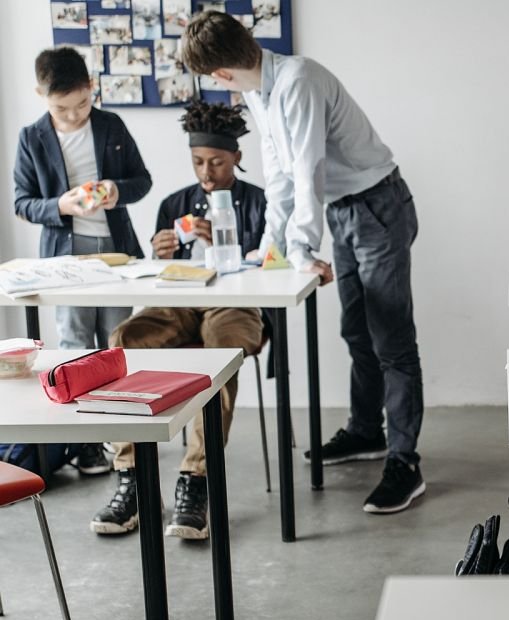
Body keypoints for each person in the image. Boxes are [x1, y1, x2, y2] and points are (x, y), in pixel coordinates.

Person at [180, 11, 426, 514]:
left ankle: (406, 462)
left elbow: (307, 167)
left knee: (391, 340)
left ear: (220, 74)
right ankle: (366, 432)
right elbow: (279, 177)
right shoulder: (258, 90)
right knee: (356, 331)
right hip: (344, 210)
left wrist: (300, 248)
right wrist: (272, 247)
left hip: (377, 205)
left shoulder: (298, 80)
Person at [91, 101, 266, 538]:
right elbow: (154, 274)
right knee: (124, 339)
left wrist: (231, 244)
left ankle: (197, 480)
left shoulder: (261, 202)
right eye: (198, 162)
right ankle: (131, 476)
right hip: (180, 298)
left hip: (236, 302)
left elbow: (273, 263)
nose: (206, 172)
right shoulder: (174, 202)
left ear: (237, 158)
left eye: (217, 162)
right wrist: (162, 252)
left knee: (221, 356)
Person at [13, 46, 151, 476]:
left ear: (92, 88)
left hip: (114, 254)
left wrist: (115, 190)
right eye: (62, 107)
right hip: (64, 259)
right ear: (40, 93)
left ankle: (119, 438)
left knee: (115, 344)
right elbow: (23, 202)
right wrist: (61, 205)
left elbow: (142, 180)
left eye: (82, 104)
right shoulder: (31, 137)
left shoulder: (111, 125)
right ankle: (85, 443)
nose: (74, 115)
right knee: (74, 347)